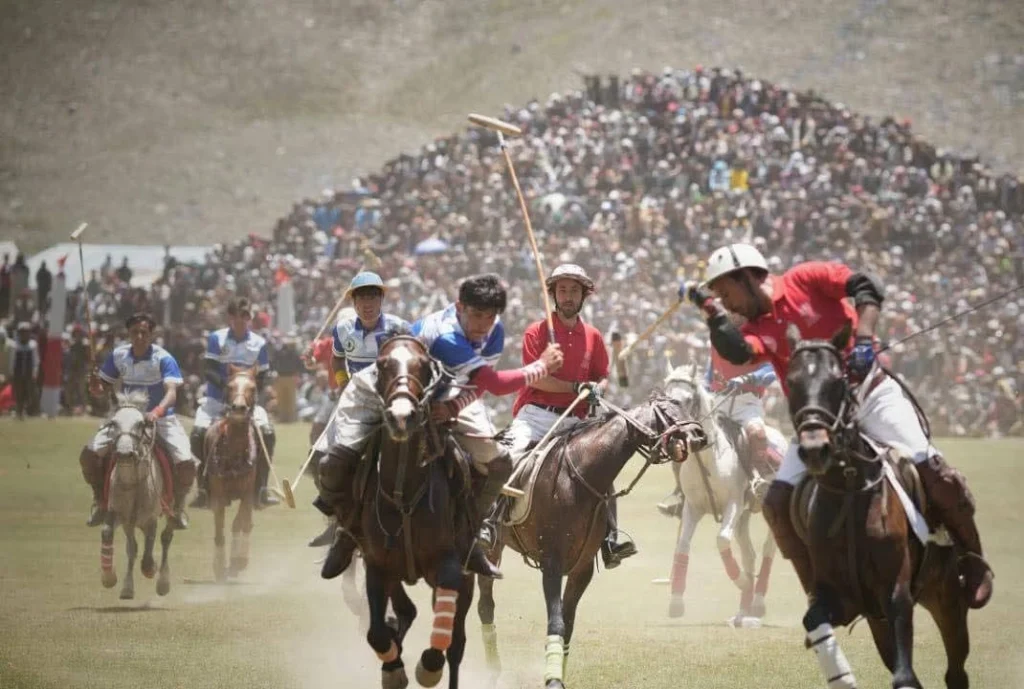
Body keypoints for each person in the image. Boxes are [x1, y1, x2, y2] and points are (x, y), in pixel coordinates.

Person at [683, 242, 994, 609]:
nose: (729, 304)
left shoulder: (805, 278)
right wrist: (710, 309)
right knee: (777, 503)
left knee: (933, 470)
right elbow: (737, 351)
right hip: (820, 418)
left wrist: (864, 339)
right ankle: (820, 595)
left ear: (746, 277)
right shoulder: (758, 327)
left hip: (871, 396)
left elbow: (867, 286)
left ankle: (973, 560)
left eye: (726, 293)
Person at [314, 273, 563, 580]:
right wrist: (542, 367)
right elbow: (496, 384)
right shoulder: (446, 335)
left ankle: (471, 535)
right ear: (459, 307)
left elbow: (478, 384)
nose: (482, 324)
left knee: (498, 463)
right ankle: (347, 531)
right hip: (392, 386)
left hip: (446, 390)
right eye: (475, 315)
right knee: (339, 458)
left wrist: (453, 407)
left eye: (489, 316)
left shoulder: (495, 330)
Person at [491, 263, 637, 568]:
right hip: (536, 416)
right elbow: (536, 378)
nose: (568, 296)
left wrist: (597, 388)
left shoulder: (593, 336)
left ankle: (610, 539)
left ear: (584, 295)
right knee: (507, 456)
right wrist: (574, 386)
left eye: (574, 290)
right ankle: (490, 524)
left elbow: (603, 375)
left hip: (577, 421)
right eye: (562, 290)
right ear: (554, 295)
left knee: (603, 468)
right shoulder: (537, 331)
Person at [307, 272, 408, 547]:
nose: (368, 303)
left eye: (373, 297)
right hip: (358, 402)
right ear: (354, 302)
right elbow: (338, 360)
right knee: (323, 457)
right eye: (362, 297)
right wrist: (343, 384)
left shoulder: (399, 327)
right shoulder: (342, 329)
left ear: (381, 299)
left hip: (393, 401)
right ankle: (336, 519)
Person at [79, 313, 196, 529]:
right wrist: (95, 387)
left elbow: (172, 393)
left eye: (144, 332)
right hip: (126, 419)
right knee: (88, 456)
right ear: (129, 334)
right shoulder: (119, 355)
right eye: (135, 332)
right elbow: (101, 389)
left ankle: (177, 508)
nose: (139, 337)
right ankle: (100, 503)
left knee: (186, 464)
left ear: (151, 334)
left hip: (160, 419)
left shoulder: (163, 358)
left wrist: (157, 411)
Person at [189, 298, 278, 509]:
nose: (241, 320)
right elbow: (209, 369)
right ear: (230, 317)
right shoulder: (216, 338)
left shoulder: (259, 343)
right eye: (237, 315)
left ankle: (261, 489)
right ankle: (203, 488)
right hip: (217, 401)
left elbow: (263, 375)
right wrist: (228, 387)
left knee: (268, 434)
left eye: (245, 316)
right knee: (197, 435)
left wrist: (248, 392)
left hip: (247, 403)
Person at [10, 322, 38, 419]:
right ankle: (19, 411)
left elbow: (36, 360)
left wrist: (35, 371)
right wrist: (11, 372)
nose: (24, 334)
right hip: (18, 373)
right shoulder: (15, 345)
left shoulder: (33, 345)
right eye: (22, 332)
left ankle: (31, 411)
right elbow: (12, 360)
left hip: (29, 372)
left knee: (30, 392)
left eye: (26, 332)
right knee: (19, 393)